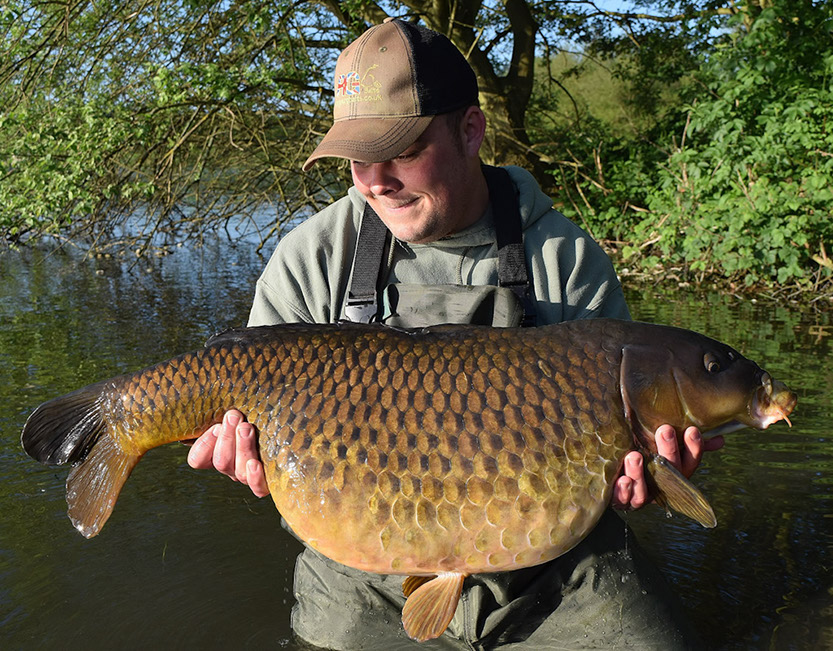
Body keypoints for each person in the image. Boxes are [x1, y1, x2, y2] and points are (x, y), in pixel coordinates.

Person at [187, 18, 722, 650]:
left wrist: (651, 479)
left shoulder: (566, 260)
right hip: (365, 563)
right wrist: (241, 453)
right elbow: (242, 410)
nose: (376, 180)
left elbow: (632, 454)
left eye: (403, 152)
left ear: (471, 130)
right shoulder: (311, 260)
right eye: (358, 158)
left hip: (551, 564)